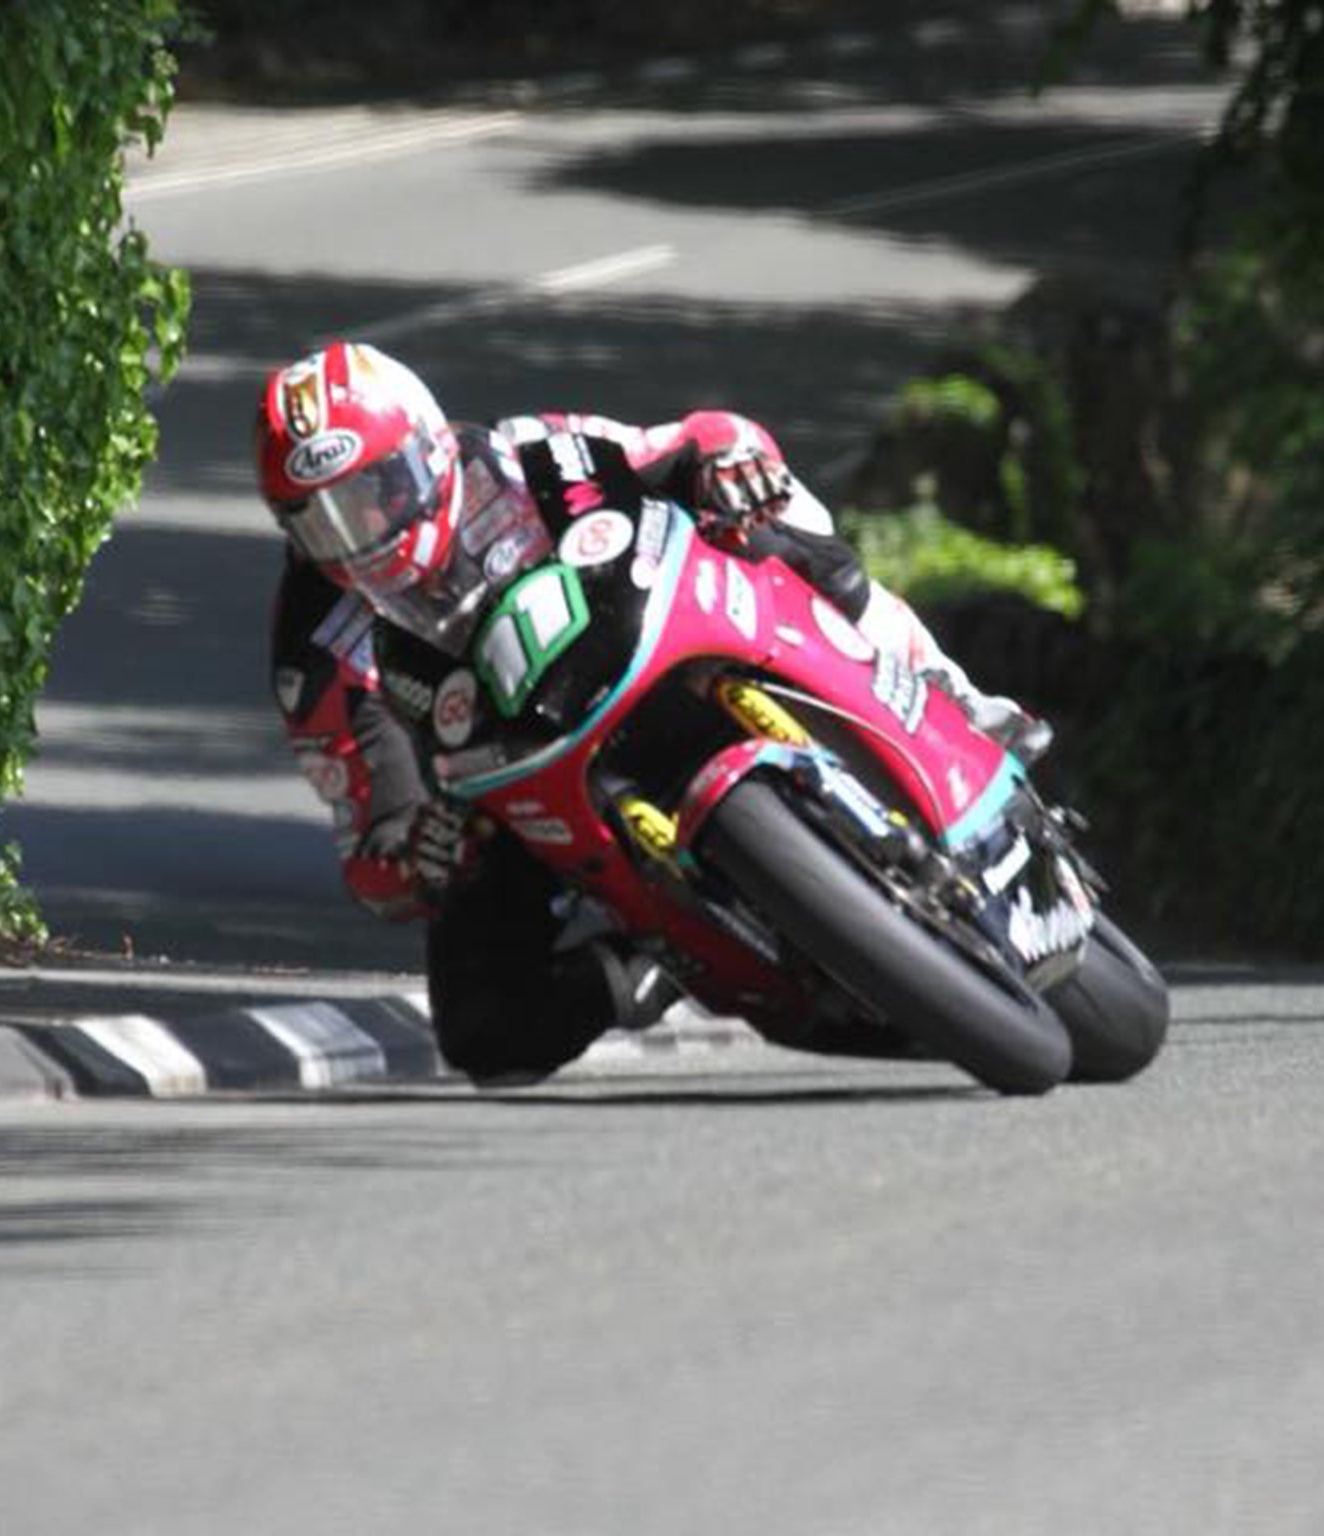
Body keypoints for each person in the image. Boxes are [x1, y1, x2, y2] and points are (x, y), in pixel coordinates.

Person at [255, 340, 1047, 1083]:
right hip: (514, 778)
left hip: (649, 632)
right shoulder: (318, 648)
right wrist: (416, 855)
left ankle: (946, 688)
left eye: (374, 493)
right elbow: (370, 842)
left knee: (768, 527)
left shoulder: (531, 447)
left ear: (426, 449)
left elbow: (702, 437)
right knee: (480, 1031)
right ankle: (653, 954)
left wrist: (734, 468)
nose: (360, 533)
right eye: (321, 519)